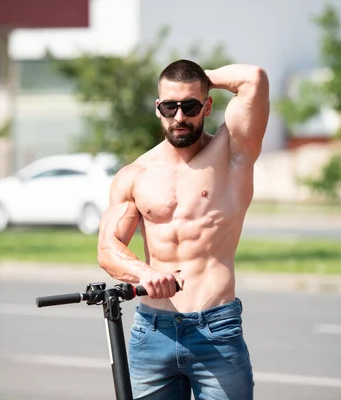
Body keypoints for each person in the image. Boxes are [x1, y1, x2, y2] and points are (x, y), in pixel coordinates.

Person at [97, 59, 270, 400]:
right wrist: (143, 273)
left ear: (207, 106)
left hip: (216, 329)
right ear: (157, 107)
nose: (179, 117)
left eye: (189, 106)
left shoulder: (233, 153)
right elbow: (108, 248)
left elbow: (254, 78)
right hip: (153, 331)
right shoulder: (136, 174)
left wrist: (199, 79)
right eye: (169, 106)